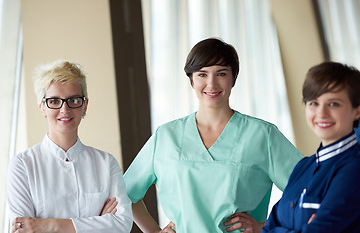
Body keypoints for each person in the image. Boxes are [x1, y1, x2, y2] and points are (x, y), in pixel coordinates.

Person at [123, 38, 303, 232]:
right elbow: (124, 195)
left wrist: (264, 227)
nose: (211, 83)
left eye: (221, 73)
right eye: (202, 74)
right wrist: (154, 231)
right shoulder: (166, 137)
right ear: (192, 80)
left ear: (233, 78)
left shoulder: (262, 136)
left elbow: (311, 193)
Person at [6, 60, 133, 232]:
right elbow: (22, 229)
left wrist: (48, 225)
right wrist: (98, 223)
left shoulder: (106, 163)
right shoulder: (22, 165)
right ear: (42, 107)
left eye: (73, 100)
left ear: (85, 105)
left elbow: (122, 224)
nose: (65, 109)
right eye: (54, 101)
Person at [262, 62, 360, 232]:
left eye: (333, 104)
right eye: (313, 103)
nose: (321, 114)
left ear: (357, 111)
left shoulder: (355, 168)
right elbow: (268, 227)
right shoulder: (303, 166)